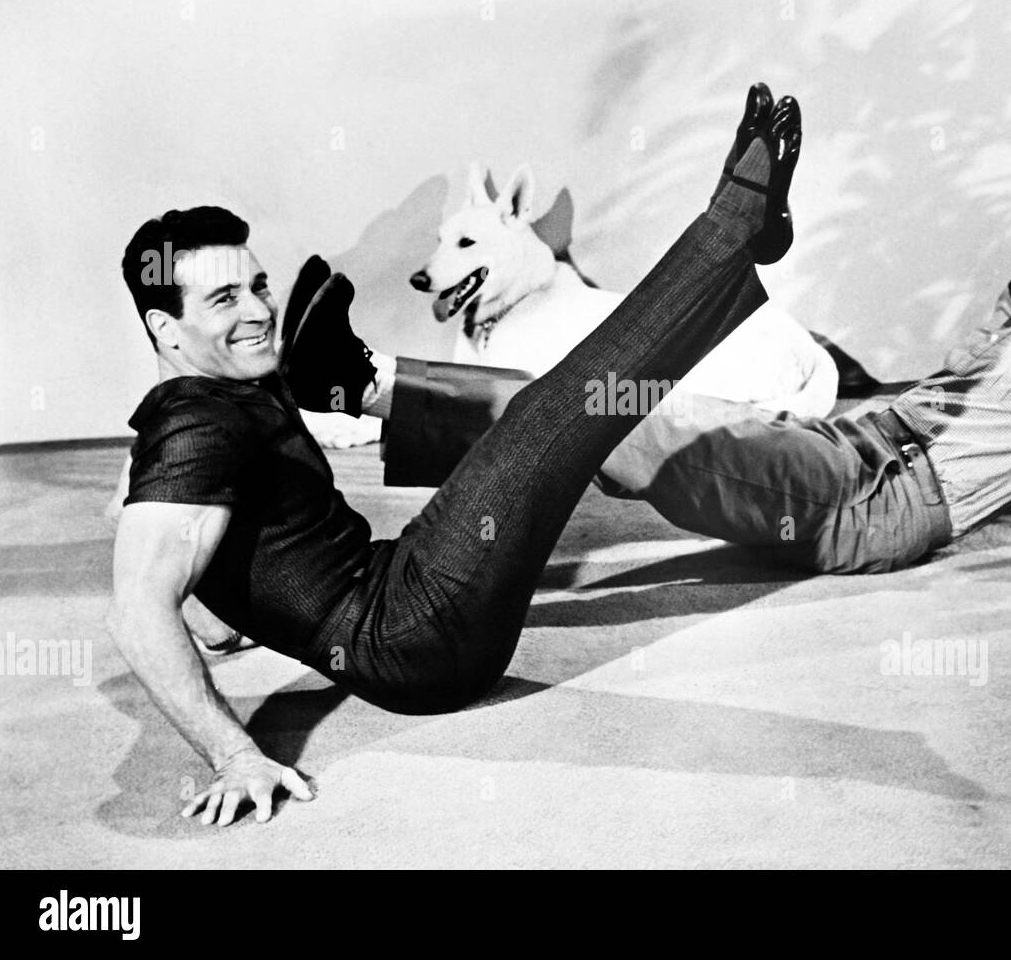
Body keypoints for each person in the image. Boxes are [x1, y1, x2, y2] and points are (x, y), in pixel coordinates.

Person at [107, 84, 800, 827]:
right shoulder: (194, 431)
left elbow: (139, 510)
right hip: (411, 639)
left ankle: (351, 379)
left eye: (257, 285)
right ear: (165, 327)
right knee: (558, 410)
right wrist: (233, 754)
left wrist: (219, 616)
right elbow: (138, 609)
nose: (256, 311)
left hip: (396, 586)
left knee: (520, 413)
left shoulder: (201, 406)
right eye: (224, 301)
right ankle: (734, 229)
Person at [590, 170, 1011, 613]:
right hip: (851, 442)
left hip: (880, 500)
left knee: (607, 414)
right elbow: (973, 390)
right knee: (632, 403)